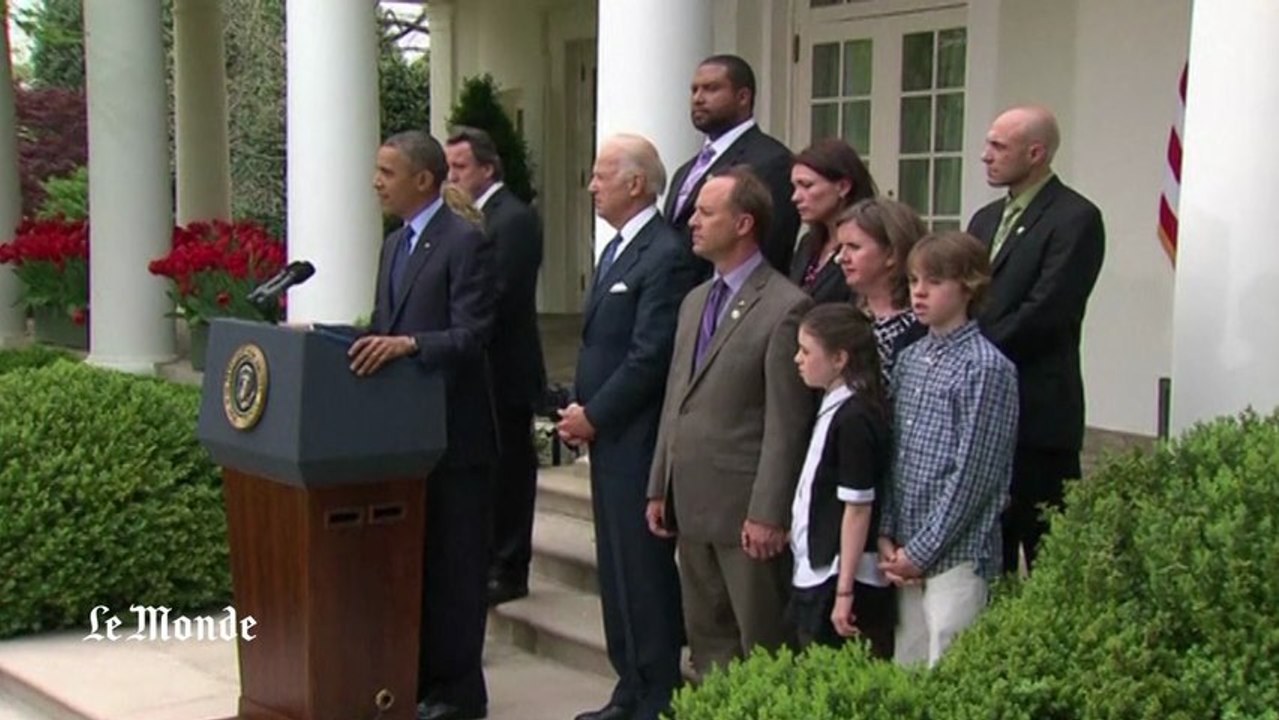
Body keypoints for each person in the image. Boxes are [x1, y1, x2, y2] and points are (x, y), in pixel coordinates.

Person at [350, 130, 497, 720]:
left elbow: (473, 334)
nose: (376, 182)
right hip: (404, 439)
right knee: (415, 565)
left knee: (455, 570)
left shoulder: (465, 242)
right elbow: (382, 325)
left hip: (455, 439)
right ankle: (417, 679)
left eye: (387, 172)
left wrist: (410, 345)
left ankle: (459, 694)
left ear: (423, 180)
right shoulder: (393, 245)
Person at [646, 167, 815, 677]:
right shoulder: (695, 302)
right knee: (708, 646)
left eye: (705, 212)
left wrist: (768, 512)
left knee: (763, 648)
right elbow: (677, 397)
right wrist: (659, 485)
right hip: (690, 504)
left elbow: (787, 424)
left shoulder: (785, 307)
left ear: (743, 224)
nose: (692, 222)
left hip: (744, 513)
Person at [556, 134, 700, 720]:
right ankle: (629, 685)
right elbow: (601, 343)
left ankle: (656, 693)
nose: (591, 186)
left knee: (641, 571)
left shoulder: (664, 254)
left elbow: (649, 356)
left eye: (601, 175)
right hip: (608, 436)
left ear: (636, 183)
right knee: (615, 569)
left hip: (638, 439)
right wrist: (579, 405)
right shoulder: (617, 249)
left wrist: (595, 414)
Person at [966, 105, 1105, 574]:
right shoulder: (984, 220)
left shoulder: (1075, 218)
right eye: (987, 144)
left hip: (1038, 413)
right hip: (984, 411)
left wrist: (974, 353)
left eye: (998, 146)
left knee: (1047, 552)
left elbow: (1048, 310)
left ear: (1036, 153)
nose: (985, 156)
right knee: (993, 553)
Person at [877, 231, 1018, 668]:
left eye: (934, 282)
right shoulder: (910, 359)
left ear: (968, 287)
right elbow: (895, 454)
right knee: (908, 663)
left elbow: (975, 475)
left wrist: (923, 550)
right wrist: (887, 531)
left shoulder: (987, 368)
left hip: (958, 553)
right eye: (914, 281)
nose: (919, 292)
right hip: (904, 547)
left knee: (949, 662)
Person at [444, 126, 548, 606]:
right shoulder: (462, 220)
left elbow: (501, 292)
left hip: (505, 368)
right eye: (448, 167)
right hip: (474, 370)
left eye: (460, 167)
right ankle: (484, 559)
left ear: (487, 168)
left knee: (510, 471)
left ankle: (509, 567)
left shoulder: (514, 219)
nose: (451, 176)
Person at [787, 303, 895, 658]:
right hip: (817, 566)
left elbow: (858, 507)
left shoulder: (855, 417)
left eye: (806, 352)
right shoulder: (833, 404)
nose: (797, 359)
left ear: (839, 359)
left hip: (841, 574)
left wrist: (844, 591)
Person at [664, 54, 801, 277]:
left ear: (743, 97)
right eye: (694, 90)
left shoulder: (772, 161)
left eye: (711, 89)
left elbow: (771, 248)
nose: (698, 98)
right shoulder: (685, 171)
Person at [834, 198, 928, 384]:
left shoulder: (921, 328)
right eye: (840, 247)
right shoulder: (847, 317)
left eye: (854, 247)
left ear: (891, 253)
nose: (840, 258)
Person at [788, 139, 877, 305]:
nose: (795, 197)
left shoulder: (866, 246)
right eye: (795, 187)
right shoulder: (808, 244)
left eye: (806, 185)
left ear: (843, 187)